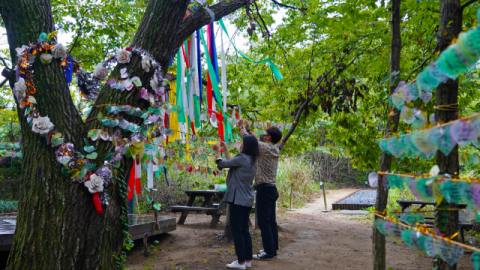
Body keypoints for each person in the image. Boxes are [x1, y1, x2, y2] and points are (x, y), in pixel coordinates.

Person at [238, 120, 282, 261]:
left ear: (268, 137)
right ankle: (272, 250)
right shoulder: (272, 148)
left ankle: (268, 253)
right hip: (271, 189)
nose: (263, 134)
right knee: (271, 222)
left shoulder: (264, 148)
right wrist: (250, 130)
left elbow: (250, 141)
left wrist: (242, 128)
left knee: (263, 222)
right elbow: (255, 139)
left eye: (265, 133)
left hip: (264, 189)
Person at [214, 135, 259, 270]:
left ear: (246, 145)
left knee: (236, 230)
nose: (240, 144)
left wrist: (217, 151)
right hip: (247, 199)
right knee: (244, 230)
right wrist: (226, 150)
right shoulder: (252, 160)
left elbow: (221, 164)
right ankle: (248, 260)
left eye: (242, 143)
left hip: (237, 199)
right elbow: (232, 163)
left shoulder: (241, 158)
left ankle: (240, 263)